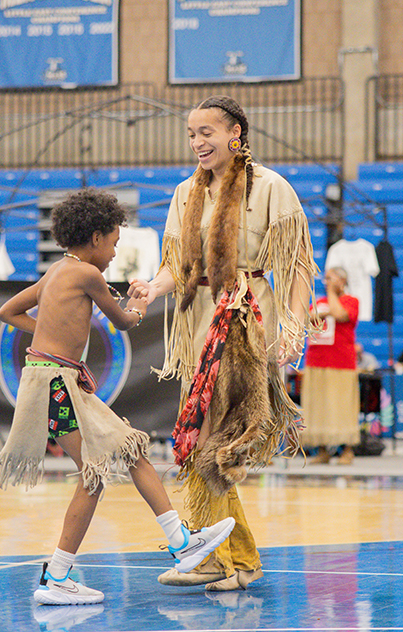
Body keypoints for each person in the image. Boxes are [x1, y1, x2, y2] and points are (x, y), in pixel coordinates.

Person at [0, 189, 236, 606]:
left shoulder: (54, 273)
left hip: (51, 380)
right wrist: (139, 304)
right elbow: (122, 321)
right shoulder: (87, 274)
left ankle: (68, 573)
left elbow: (7, 313)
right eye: (115, 243)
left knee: (118, 459)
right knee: (108, 463)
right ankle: (176, 546)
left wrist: (52, 334)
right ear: (96, 238)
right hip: (56, 383)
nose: (114, 252)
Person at [129, 95, 318, 591]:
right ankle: (232, 559)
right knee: (204, 438)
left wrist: (294, 329)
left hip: (246, 322)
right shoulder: (184, 193)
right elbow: (178, 265)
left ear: (236, 133)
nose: (197, 143)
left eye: (206, 133)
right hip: (198, 325)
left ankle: (219, 556)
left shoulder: (272, 188)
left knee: (214, 436)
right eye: (191, 134)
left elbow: (296, 265)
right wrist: (152, 287)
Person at [302, 267, 360, 465]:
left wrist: (332, 295)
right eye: (325, 279)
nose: (326, 282)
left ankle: (347, 449)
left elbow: (340, 314)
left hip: (341, 363)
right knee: (319, 408)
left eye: (331, 278)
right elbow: (307, 321)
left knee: (343, 407)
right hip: (316, 362)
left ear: (343, 281)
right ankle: (323, 449)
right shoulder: (318, 302)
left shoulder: (351, 301)